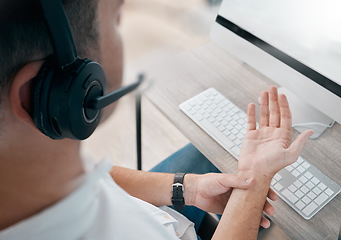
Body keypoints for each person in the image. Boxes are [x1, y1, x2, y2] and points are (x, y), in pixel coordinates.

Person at [0, 0, 314, 239]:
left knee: (206, 153)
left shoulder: (32, 168)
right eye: (115, 16)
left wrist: (185, 189)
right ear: (36, 93)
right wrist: (257, 175)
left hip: (158, 210)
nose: (121, 24)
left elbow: (92, 176)